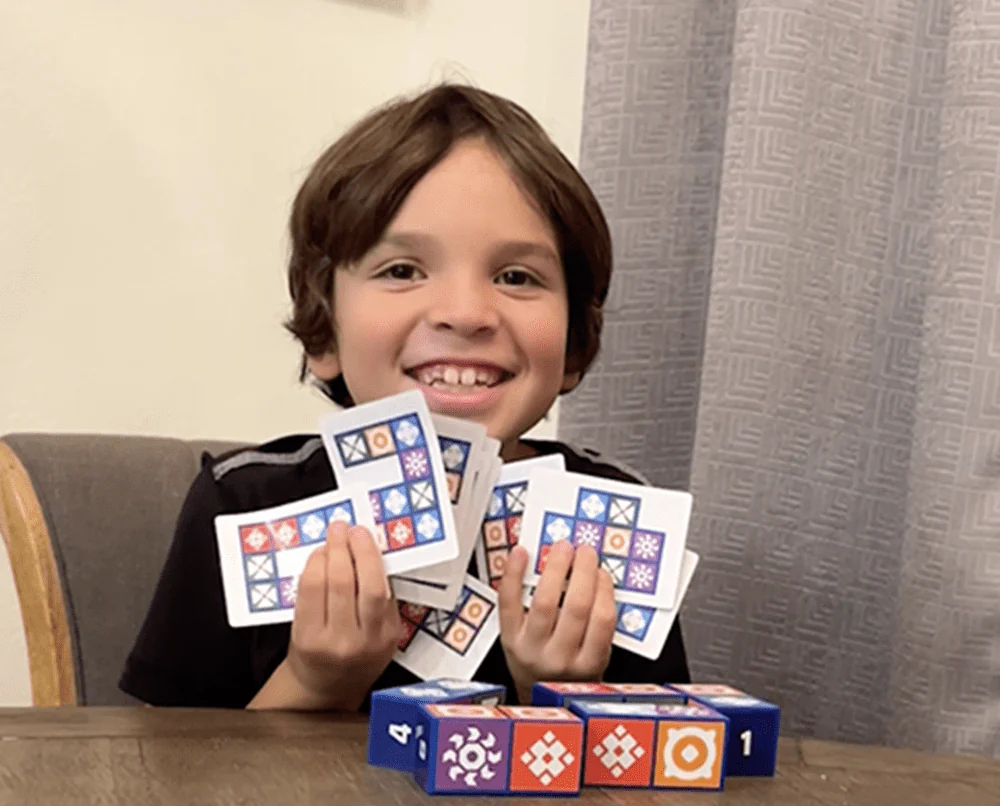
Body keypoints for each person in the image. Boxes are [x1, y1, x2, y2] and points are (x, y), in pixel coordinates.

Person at [119, 83, 690, 711]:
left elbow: (657, 793)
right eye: (402, 271)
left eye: (516, 277)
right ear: (323, 328)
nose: (465, 313)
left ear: (574, 345)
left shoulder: (615, 524)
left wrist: (561, 697)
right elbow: (167, 788)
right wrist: (315, 683)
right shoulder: (239, 503)